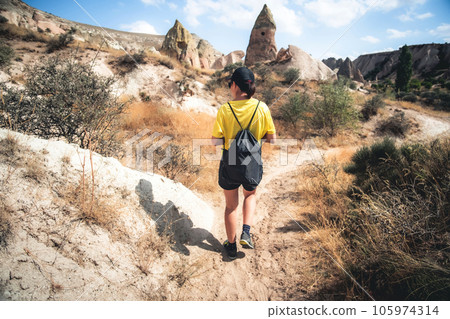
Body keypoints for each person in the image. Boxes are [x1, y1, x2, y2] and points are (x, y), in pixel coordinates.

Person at [211, 67, 276, 260]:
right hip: (253, 159)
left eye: (231, 83)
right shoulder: (262, 108)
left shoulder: (225, 109)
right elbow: (272, 138)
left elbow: (215, 141)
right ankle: (246, 232)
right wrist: (253, 139)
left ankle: (230, 245)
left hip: (230, 160)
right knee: (250, 195)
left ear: (235, 85)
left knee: (231, 206)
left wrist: (232, 141)